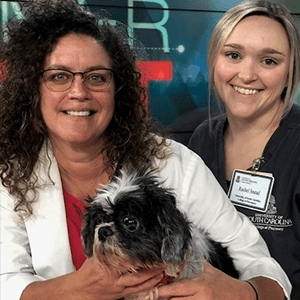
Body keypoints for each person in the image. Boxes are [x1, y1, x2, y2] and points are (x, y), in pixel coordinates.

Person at [0, 0, 291, 299]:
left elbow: (258, 263)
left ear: (118, 89)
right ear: (32, 90)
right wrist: (77, 289)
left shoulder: (173, 162)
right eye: (59, 76)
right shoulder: (9, 177)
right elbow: (5, 281)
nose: (78, 92)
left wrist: (243, 293)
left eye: (96, 77)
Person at [188, 0, 300, 299]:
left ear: (290, 72)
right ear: (214, 61)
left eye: (269, 61)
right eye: (233, 55)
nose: (247, 75)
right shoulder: (202, 139)